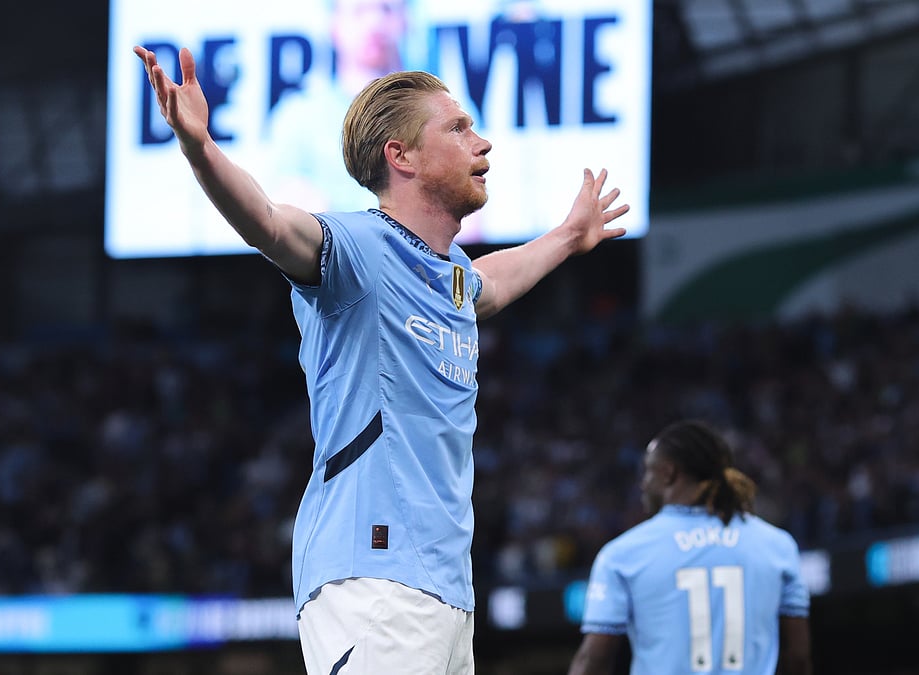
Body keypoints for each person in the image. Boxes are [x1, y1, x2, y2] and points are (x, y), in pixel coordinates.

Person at [134, 39, 628, 674]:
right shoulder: (358, 248)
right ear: (403, 157)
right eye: (459, 128)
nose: (484, 144)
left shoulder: (450, 276)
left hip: (447, 592)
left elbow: (492, 283)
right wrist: (200, 148)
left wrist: (566, 235)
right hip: (371, 576)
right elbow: (270, 223)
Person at [569, 420, 812, 675]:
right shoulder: (777, 545)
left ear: (668, 473)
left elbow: (594, 659)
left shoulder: (623, 555)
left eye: (648, 472)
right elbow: (798, 657)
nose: (644, 484)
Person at [267, 0, 414, 213]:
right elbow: (287, 208)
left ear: (406, 20)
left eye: (386, 9)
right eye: (359, 11)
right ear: (334, 25)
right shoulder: (299, 116)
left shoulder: (444, 108)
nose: (374, 22)